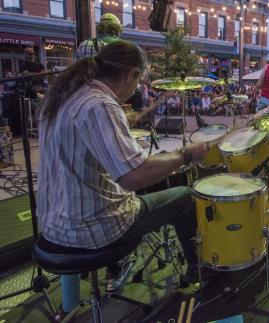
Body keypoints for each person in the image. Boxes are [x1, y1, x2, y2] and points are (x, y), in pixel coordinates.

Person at [36, 41, 208, 284]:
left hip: (53, 225)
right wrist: (185, 154)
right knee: (184, 196)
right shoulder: (101, 105)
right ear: (132, 74)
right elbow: (133, 177)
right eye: (139, 82)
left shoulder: (63, 96)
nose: (137, 87)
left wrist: (123, 120)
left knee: (157, 180)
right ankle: (199, 272)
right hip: (90, 229)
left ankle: (115, 268)